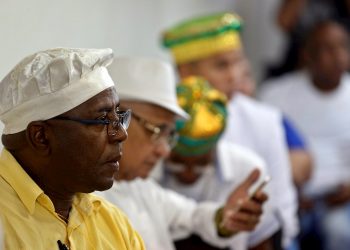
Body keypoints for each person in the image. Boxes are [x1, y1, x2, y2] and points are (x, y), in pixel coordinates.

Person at [97, 56, 269, 250]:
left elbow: (193, 216)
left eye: (169, 134)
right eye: (156, 130)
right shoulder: (83, 203)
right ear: (114, 121)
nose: (164, 151)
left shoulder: (141, 188)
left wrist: (226, 218)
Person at [162, 12, 298, 249]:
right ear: (185, 72)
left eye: (238, 61)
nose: (234, 75)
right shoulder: (164, 121)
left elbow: (281, 208)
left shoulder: (265, 120)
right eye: (221, 65)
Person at [0, 48, 145, 249]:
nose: (121, 134)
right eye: (102, 119)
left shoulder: (113, 223)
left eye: (119, 117)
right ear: (41, 137)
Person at [160, 76, 279, 250]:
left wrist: (227, 221)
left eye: (201, 164)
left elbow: (261, 242)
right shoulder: (142, 173)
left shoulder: (248, 170)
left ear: (215, 146)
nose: (188, 174)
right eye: (176, 163)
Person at [260, 20, 350, 250]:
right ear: (307, 55)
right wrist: (287, 191)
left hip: (341, 201)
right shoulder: (276, 94)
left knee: (340, 232)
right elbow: (261, 149)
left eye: (343, 46)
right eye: (328, 49)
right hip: (289, 198)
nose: (338, 55)